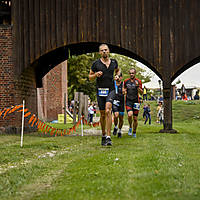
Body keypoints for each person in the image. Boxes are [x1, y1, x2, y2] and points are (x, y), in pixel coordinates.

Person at [89, 44, 120, 146]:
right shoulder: (96, 64)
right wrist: (95, 75)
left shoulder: (114, 62)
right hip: (100, 90)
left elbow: (118, 70)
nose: (104, 52)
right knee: (102, 114)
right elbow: (90, 77)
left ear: (109, 51)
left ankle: (108, 137)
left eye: (106, 50)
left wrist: (117, 76)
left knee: (108, 110)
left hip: (111, 89)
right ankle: (103, 135)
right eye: (102, 50)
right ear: (99, 53)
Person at [123, 68, 143, 138]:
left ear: (135, 74)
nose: (131, 74)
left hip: (136, 101)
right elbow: (124, 89)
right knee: (129, 114)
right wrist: (124, 91)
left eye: (133, 73)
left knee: (135, 118)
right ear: (129, 74)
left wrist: (138, 87)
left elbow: (141, 92)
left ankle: (134, 132)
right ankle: (130, 127)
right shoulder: (126, 81)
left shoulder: (138, 81)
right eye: (130, 73)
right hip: (128, 100)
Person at [112, 72, 124, 138]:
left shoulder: (123, 84)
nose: (116, 78)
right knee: (116, 115)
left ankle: (119, 131)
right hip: (115, 101)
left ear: (121, 78)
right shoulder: (113, 83)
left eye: (118, 76)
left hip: (121, 102)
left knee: (121, 118)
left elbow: (125, 91)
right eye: (115, 76)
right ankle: (116, 126)